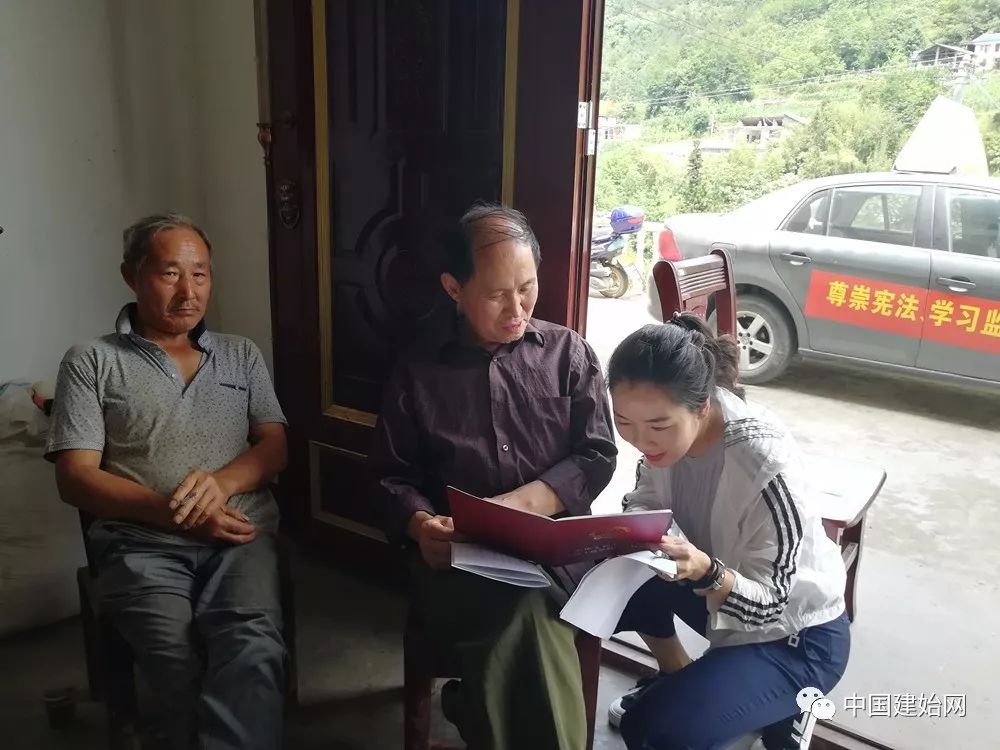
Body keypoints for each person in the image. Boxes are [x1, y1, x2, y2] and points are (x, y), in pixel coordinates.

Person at [371, 203, 618, 750]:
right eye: (496, 294)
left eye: (527, 288)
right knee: (524, 615)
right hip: (459, 564)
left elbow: (598, 454)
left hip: (558, 559)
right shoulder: (418, 370)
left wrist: (522, 506)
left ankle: (474, 705)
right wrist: (420, 525)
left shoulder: (568, 354)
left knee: (528, 615)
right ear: (453, 288)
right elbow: (391, 476)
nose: (517, 309)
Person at [46, 213, 289, 750]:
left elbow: (275, 446)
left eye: (200, 274)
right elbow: (75, 478)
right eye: (170, 273)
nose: (188, 292)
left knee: (250, 648)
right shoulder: (91, 361)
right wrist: (177, 514)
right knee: (174, 661)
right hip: (140, 543)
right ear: (131, 276)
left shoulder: (241, 353)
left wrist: (221, 486)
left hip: (239, 535)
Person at [604, 314, 849, 750]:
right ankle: (682, 678)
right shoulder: (668, 436)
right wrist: (637, 528)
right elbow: (645, 496)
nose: (641, 441)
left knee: (655, 733)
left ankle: (777, 705)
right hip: (718, 589)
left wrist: (707, 572)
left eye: (657, 426)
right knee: (614, 578)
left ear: (702, 406)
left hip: (795, 635)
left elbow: (772, 603)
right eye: (624, 422)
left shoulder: (763, 465)